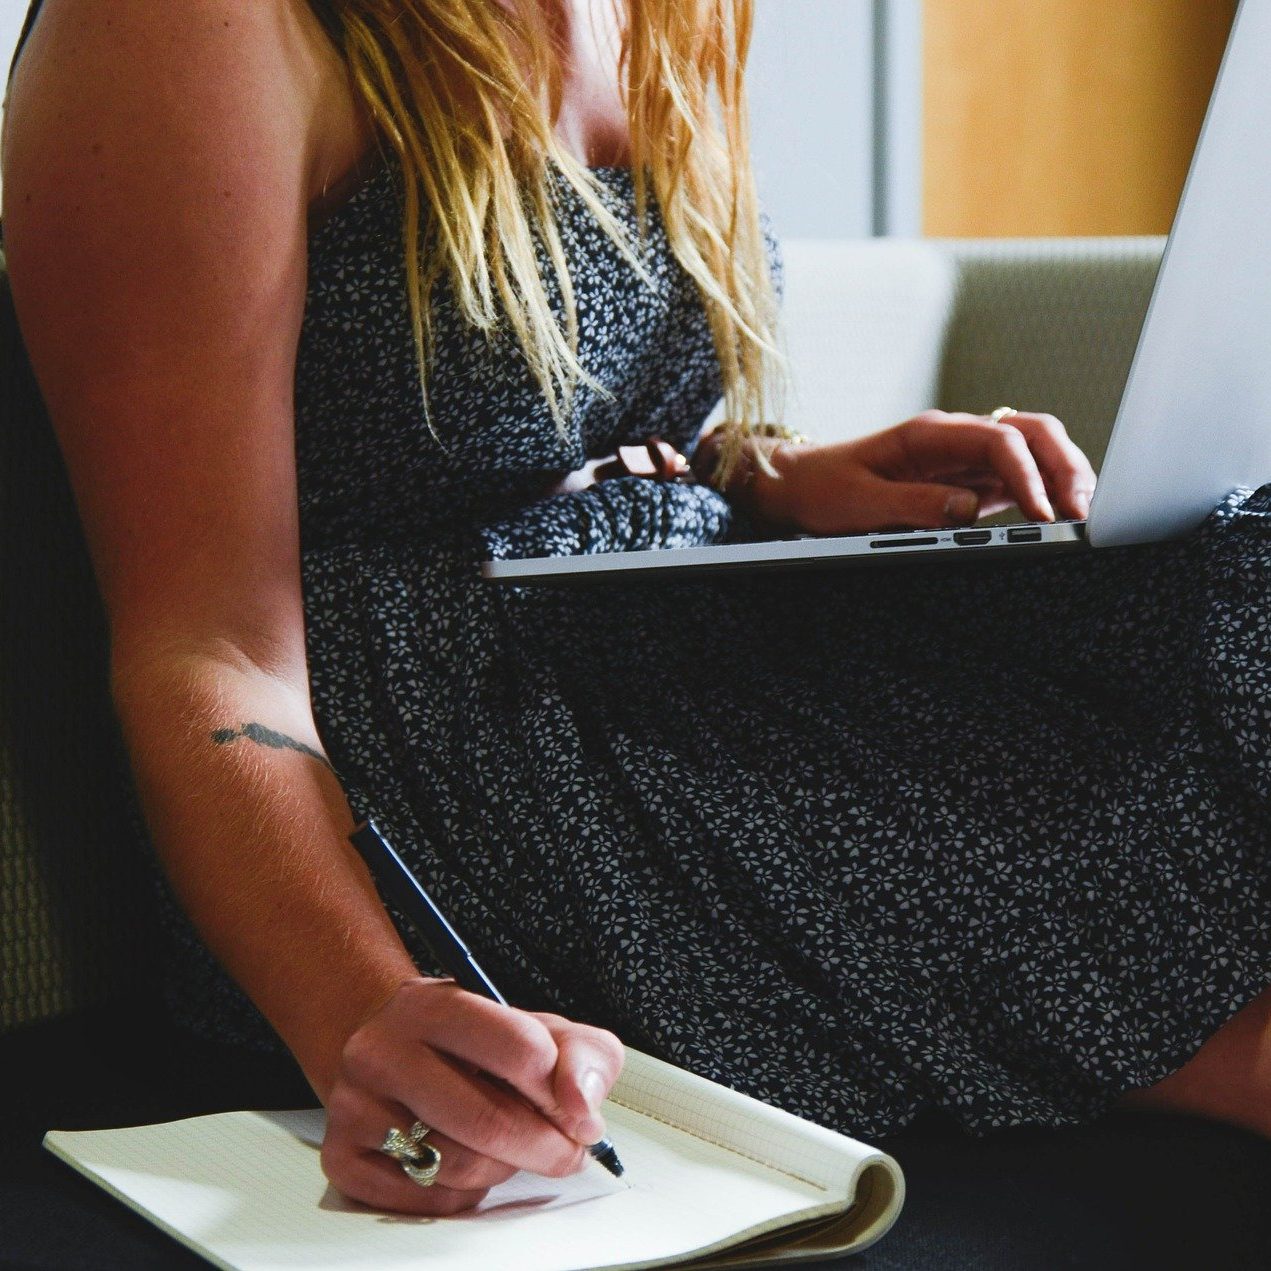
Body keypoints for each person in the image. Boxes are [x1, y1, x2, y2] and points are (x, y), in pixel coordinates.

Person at [5, 0, 1271, 1220]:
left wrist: (762, 474)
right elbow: (209, 646)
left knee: (1234, 577)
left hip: (654, 631)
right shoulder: (187, 26)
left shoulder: (668, 10)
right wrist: (359, 1009)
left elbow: (537, 417)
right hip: (439, 752)